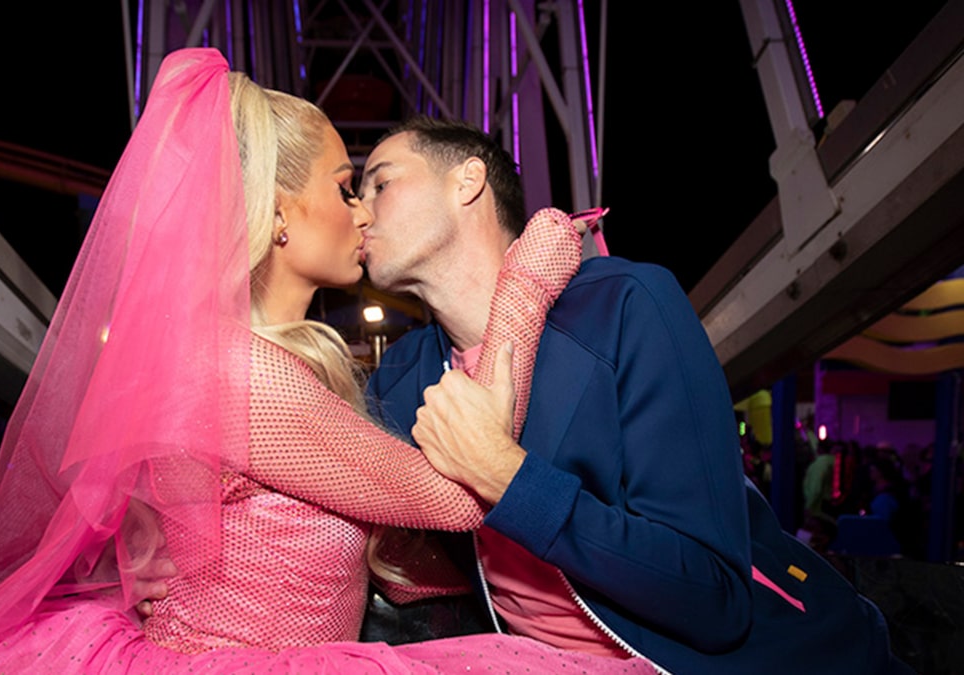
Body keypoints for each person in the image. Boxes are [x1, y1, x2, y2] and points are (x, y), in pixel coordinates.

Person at [0, 49, 653, 673]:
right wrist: (525, 283)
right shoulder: (245, 376)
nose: (361, 214)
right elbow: (456, 494)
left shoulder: (250, 363)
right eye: (345, 186)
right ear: (276, 213)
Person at [361, 117, 913, 673]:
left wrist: (506, 476)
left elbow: (715, 598)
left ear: (468, 182)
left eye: (380, 184)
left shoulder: (625, 306)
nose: (360, 212)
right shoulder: (401, 377)